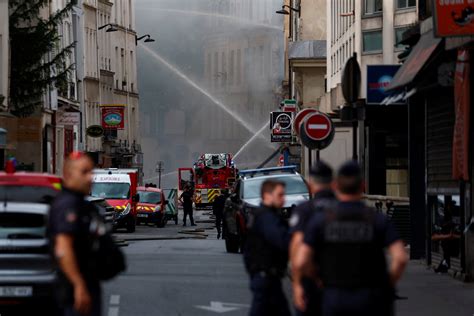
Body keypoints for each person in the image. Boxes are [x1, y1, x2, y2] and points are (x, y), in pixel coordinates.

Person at [292, 161, 408, 316]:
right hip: (371, 296)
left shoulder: (321, 220)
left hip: (335, 296)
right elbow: (400, 258)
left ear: (336, 186)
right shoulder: (377, 219)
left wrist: (317, 279)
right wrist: (386, 285)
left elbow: (301, 260)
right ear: (363, 186)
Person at [49, 152, 102, 316]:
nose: (90, 178)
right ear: (68, 175)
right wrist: (78, 285)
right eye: (84, 172)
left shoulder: (81, 204)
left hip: (86, 287)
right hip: (74, 294)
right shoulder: (68, 205)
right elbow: (63, 248)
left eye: (91, 172)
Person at [289, 161, 335, 316]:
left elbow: (297, 250)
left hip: (312, 282)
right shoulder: (346, 209)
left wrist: (297, 284)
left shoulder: (305, 210)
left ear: (310, 183)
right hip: (343, 285)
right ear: (333, 183)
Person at [244, 180, 291, 316]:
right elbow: (281, 240)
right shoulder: (267, 217)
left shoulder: (262, 215)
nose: (284, 199)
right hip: (266, 277)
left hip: (266, 276)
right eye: (280, 195)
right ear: (267, 195)